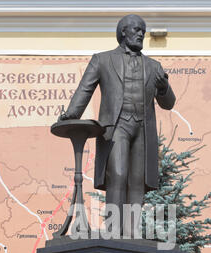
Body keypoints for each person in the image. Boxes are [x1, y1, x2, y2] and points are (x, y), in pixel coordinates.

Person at [60, 14, 176, 236]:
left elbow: (168, 104)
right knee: (118, 174)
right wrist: (71, 114)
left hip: (142, 128)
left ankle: (131, 233)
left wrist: (163, 88)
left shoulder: (153, 66)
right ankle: (113, 231)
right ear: (123, 32)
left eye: (143, 30)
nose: (142, 33)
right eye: (137, 29)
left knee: (137, 180)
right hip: (116, 127)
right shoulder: (102, 60)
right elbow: (85, 89)